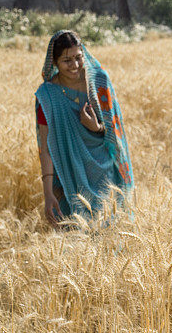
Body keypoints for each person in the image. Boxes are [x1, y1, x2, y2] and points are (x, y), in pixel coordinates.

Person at [35, 30, 134, 226]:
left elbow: (115, 130)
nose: (75, 65)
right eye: (66, 60)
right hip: (70, 173)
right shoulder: (47, 96)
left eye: (78, 58)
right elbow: (45, 148)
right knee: (77, 233)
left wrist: (96, 127)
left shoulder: (98, 81)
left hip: (106, 170)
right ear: (54, 62)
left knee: (111, 227)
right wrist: (48, 192)